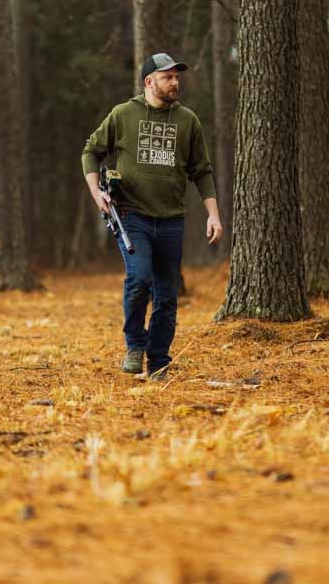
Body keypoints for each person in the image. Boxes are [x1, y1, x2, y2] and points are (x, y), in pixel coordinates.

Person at [81, 52, 223, 381]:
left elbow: (201, 171)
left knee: (167, 296)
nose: (176, 82)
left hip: (172, 220)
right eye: (168, 77)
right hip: (133, 217)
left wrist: (213, 215)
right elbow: (91, 151)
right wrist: (95, 191)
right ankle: (134, 345)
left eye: (177, 77)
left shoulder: (188, 121)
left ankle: (159, 362)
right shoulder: (124, 114)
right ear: (149, 82)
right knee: (139, 280)